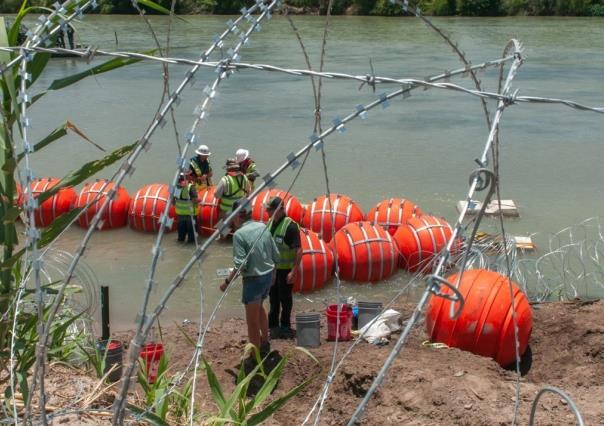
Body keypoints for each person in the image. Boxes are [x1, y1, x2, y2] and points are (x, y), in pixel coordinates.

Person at [220, 199, 280, 359]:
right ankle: (265, 341)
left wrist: (226, 283)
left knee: (252, 321)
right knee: (260, 307)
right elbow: (276, 255)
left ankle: (255, 355)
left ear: (237, 215)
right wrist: (273, 274)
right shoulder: (263, 226)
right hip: (268, 276)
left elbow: (241, 265)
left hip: (254, 280)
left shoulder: (239, 235)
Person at [265, 197, 302, 339]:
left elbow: (299, 250)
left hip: (285, 270)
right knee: (273, 298)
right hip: (272, 269)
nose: (268, 212)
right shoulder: (270, 223)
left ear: (280, 210)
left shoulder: (290, 226)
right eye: (267, 209)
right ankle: (272, 325)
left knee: (285, 299)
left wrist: (294, 271)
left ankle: (285, 325)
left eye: (270, 210)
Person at [173, 172, 198, 243]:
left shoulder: (176, 188)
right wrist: (199, 200)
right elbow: (195, 200)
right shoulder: (190, 187)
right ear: (186, 178)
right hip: (190, 215)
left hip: (180, 215)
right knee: (192, 237)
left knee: (181, 236)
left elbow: (173, 202)